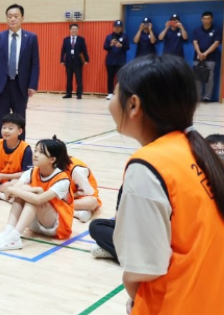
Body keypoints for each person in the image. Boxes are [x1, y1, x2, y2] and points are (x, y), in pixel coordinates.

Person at [108, 54, 224, 314]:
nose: (111, 101)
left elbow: (143, 269)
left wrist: (131, 285)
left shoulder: (147, 164)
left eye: (115, 93)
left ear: (134, 105)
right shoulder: (196, 148)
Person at [0, 137, 74, 251]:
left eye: (41, 152)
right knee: (24, 195)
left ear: (52, 159)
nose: (36, 154)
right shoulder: (32, 172)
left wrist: (15, 190)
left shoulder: (62, 179)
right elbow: (12, 193)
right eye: (36, 150)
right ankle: (8, 232)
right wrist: (35, 189)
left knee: (32, 199)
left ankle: (14, 238)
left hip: (57, 227)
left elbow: (33, 198)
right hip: (35, 224)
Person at [0, 4, 40, 140]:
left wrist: (33, 85)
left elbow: (35, 64)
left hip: (21, 86)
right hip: (2, 86)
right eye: (9, 16)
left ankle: (21, 151)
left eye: (16, 16)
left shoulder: (31, 38)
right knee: (2, 120)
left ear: (22, 18)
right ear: (6, 19)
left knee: (20, 120)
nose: (12, 19)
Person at [191, 11, 221, 102]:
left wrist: (206, 53)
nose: (206, 20)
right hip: (198, 57)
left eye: (208, 18)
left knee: (210, 77)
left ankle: (207, 97)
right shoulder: (197, 30)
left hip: (211, 58)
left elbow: (216, 43)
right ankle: (198, 97)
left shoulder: (216, 30)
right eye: (204, 19)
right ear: (201, 19)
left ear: (211, 19)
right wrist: (199, 53)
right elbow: (195, 42)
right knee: (197, 78)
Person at [65, 157, 101, 222]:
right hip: (67, 197)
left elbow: (87, 192)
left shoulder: (76, 169)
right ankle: (77, 213)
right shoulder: (49, 167)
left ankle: (64, 208)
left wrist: (68, 196)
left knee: (92, 202)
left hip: (84, 196)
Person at [60, 23, 89, 99]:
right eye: (72, 29)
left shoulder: (81, 39)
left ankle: (79, 94)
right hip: (68, 62)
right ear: (70, 30)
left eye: (75, 29)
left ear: (78, 30)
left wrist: (86, 59)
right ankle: (68, 93)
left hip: (78, 62)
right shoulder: (66, 39)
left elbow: (84, 50)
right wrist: (62, 60)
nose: (74, 30)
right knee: (69, 79)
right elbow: (63, 50)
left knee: (78, 78)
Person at [103, 20, 130, 100]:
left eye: (119, 27)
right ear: (113, 27)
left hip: (121, 61)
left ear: (121, 28)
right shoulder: (109, 37)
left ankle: (119, 93)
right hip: (110, 61)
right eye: (116, 27)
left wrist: (121, 46)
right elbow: (105, 47)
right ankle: (110, 93)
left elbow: (128, 47)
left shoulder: (125, 36)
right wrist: (111, 45)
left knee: (120, 78)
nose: (117, 29)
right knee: (110, 77)